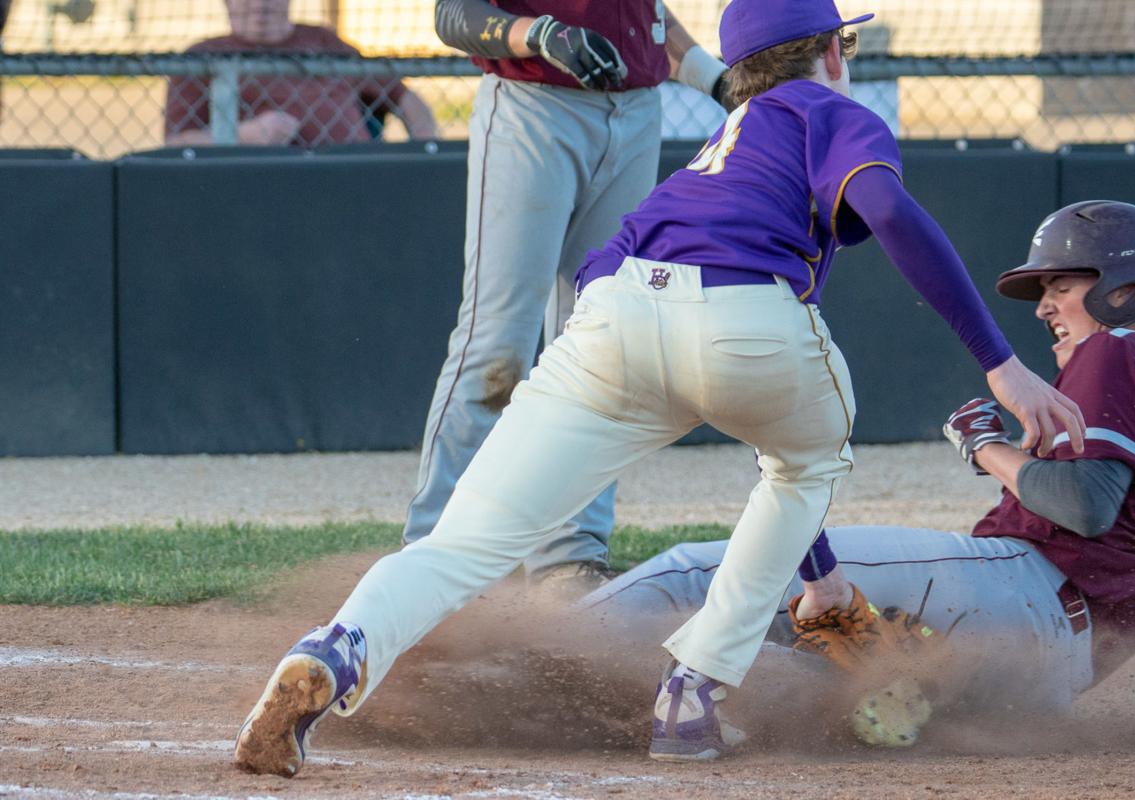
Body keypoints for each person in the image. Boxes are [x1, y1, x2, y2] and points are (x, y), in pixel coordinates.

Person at [231, 0, 1086, 776]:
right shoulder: (829, 109)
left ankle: (336, 649)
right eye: (845, 42)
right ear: (828, 52)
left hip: (612, 318)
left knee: (465, 544)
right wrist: (1000, 365)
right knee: (806, 460)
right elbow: (890, 216)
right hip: (748, 316)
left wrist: (815, 565)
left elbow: (605, 269)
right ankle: (693, 694)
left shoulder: (710, 159)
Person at [583, 199, 1135, 743]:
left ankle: (526, 648)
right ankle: (577, 701)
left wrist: (983, 444)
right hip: (1051, 668)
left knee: (697, 573)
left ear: (1122, 289)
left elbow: (1086, 504)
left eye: (1060, 287)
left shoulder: (1117, 347)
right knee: (800, 662)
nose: (1043, 307)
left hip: (1024, 592)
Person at [406, 0, 733, 595]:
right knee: (497, 342)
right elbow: (455, 15)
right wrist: (541, 35)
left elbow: (645, 15)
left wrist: (711, 76)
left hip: (636, 112)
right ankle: (429, 551)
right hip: (534, 107)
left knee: (600, 338)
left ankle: (569, 552)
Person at [164, 0, 437, 148]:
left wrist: (425, 150)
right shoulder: (201, 58)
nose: (260, 6)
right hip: (268, 187)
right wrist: (246, 135)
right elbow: (176, 144)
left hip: (355, 175)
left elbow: (404, 98)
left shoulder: (325, 42)